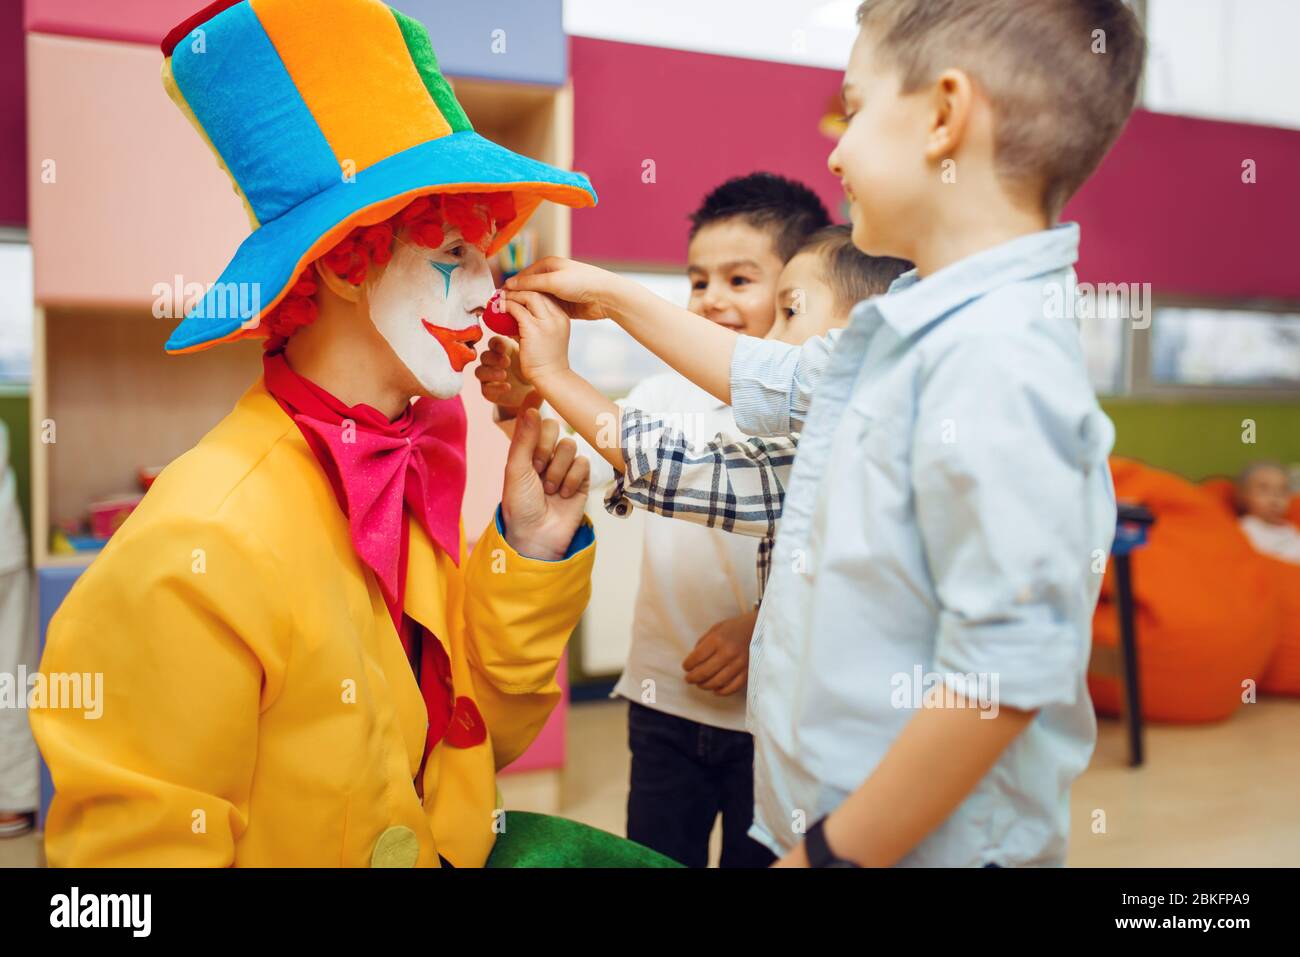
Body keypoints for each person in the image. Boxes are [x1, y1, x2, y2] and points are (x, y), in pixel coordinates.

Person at [502, 0, 1146, 866]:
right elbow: (764, 376)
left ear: (945, 117)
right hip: (812, 810)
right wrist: (609, 298)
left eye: (856, 107)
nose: (836, 147)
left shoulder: (999, 359)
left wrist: (833, 855)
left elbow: (1002, 677)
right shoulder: (911, 327)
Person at [31, 0, 673, 869]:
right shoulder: (198, 541)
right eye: (458, 251)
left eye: (492, 255)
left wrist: (529, 542)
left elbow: (469, 747)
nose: (492, 296)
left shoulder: (408, 468)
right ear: (341, 260)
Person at [483, 173, 830, 867]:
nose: (713, 299)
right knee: (654, 853)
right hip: (662, 697)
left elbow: (827, 564)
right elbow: (586, 452)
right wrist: (525, 396)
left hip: (768, 719)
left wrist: (760, 623)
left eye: (740, 279)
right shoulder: (663, 392)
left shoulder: (817, 422)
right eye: (700, 279)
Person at [1237, 461, 1300, 564]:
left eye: (1282, 490)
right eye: (1264, 489)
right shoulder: (1245, 528)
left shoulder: (1290, 528)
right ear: (1243, 495)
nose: (1275, 498)